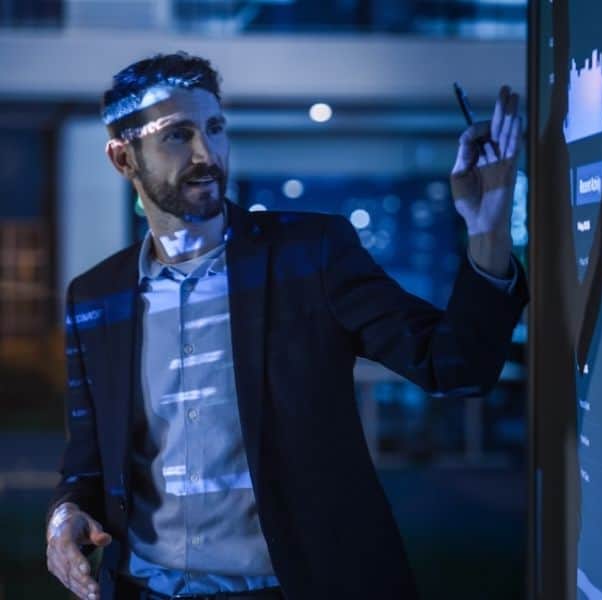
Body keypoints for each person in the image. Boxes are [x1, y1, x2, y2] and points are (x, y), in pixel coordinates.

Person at [45, 52, 528, 600]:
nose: (207, 153)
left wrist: (487, 234)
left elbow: (455, 366)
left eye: (215, 128)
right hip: (141, 588)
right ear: (122, 158)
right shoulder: (96, 297)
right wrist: (65, 518)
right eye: (177, 136)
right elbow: (88, 456)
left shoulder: (309, 256)